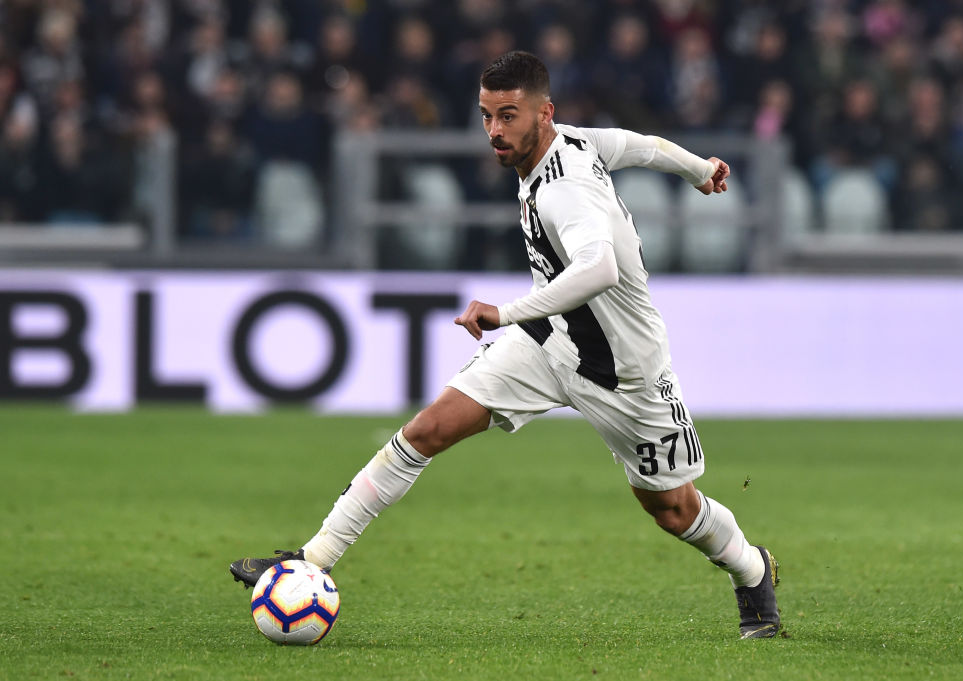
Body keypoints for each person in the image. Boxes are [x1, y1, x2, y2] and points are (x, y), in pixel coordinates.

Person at [230, 50, 781, 640]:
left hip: (623, 371)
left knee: (672, 508)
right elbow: (640, 145)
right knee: (427, 430)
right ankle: (310, 562)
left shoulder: (564, 190)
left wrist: (503, 312)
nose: (495, 131)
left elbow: (599, 270)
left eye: (508, 116)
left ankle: (752, 571)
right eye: (487, 115)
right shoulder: (573, 141)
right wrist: (698, 169)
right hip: (550, 341)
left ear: (544, 114)